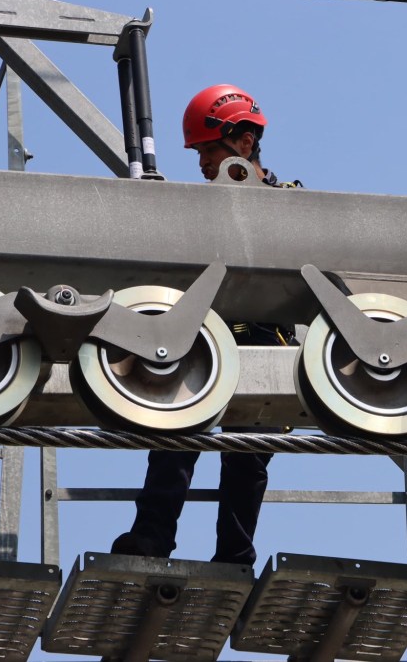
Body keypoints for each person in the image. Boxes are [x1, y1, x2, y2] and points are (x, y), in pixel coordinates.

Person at [111, 84, 298, 565]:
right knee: (173, 438)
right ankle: (151, 538)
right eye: (198, 153)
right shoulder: (198, 210)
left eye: (207, 151)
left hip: (265, 344)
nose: (201, 163)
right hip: (204, 338)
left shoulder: (292, 204)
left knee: (247, 456)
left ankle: (235, 558)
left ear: (245, 143)